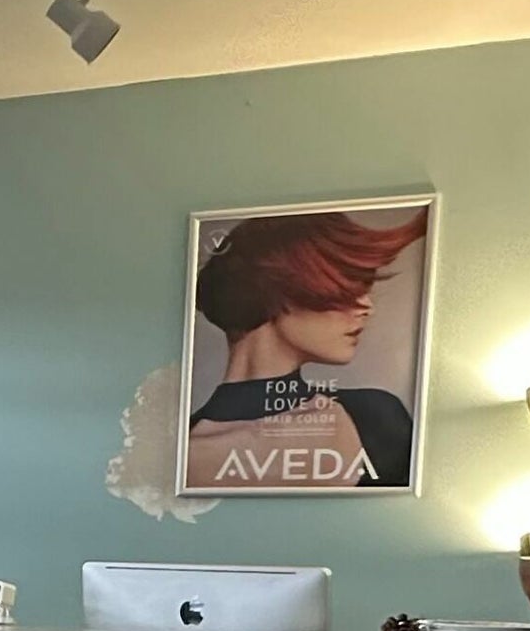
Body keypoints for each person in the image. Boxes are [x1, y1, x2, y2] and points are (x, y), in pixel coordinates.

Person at [183, 206, 429, 490]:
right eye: (344, 288)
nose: (366, 307)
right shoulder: (174, 450)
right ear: (273, 289)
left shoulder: (376, 418)